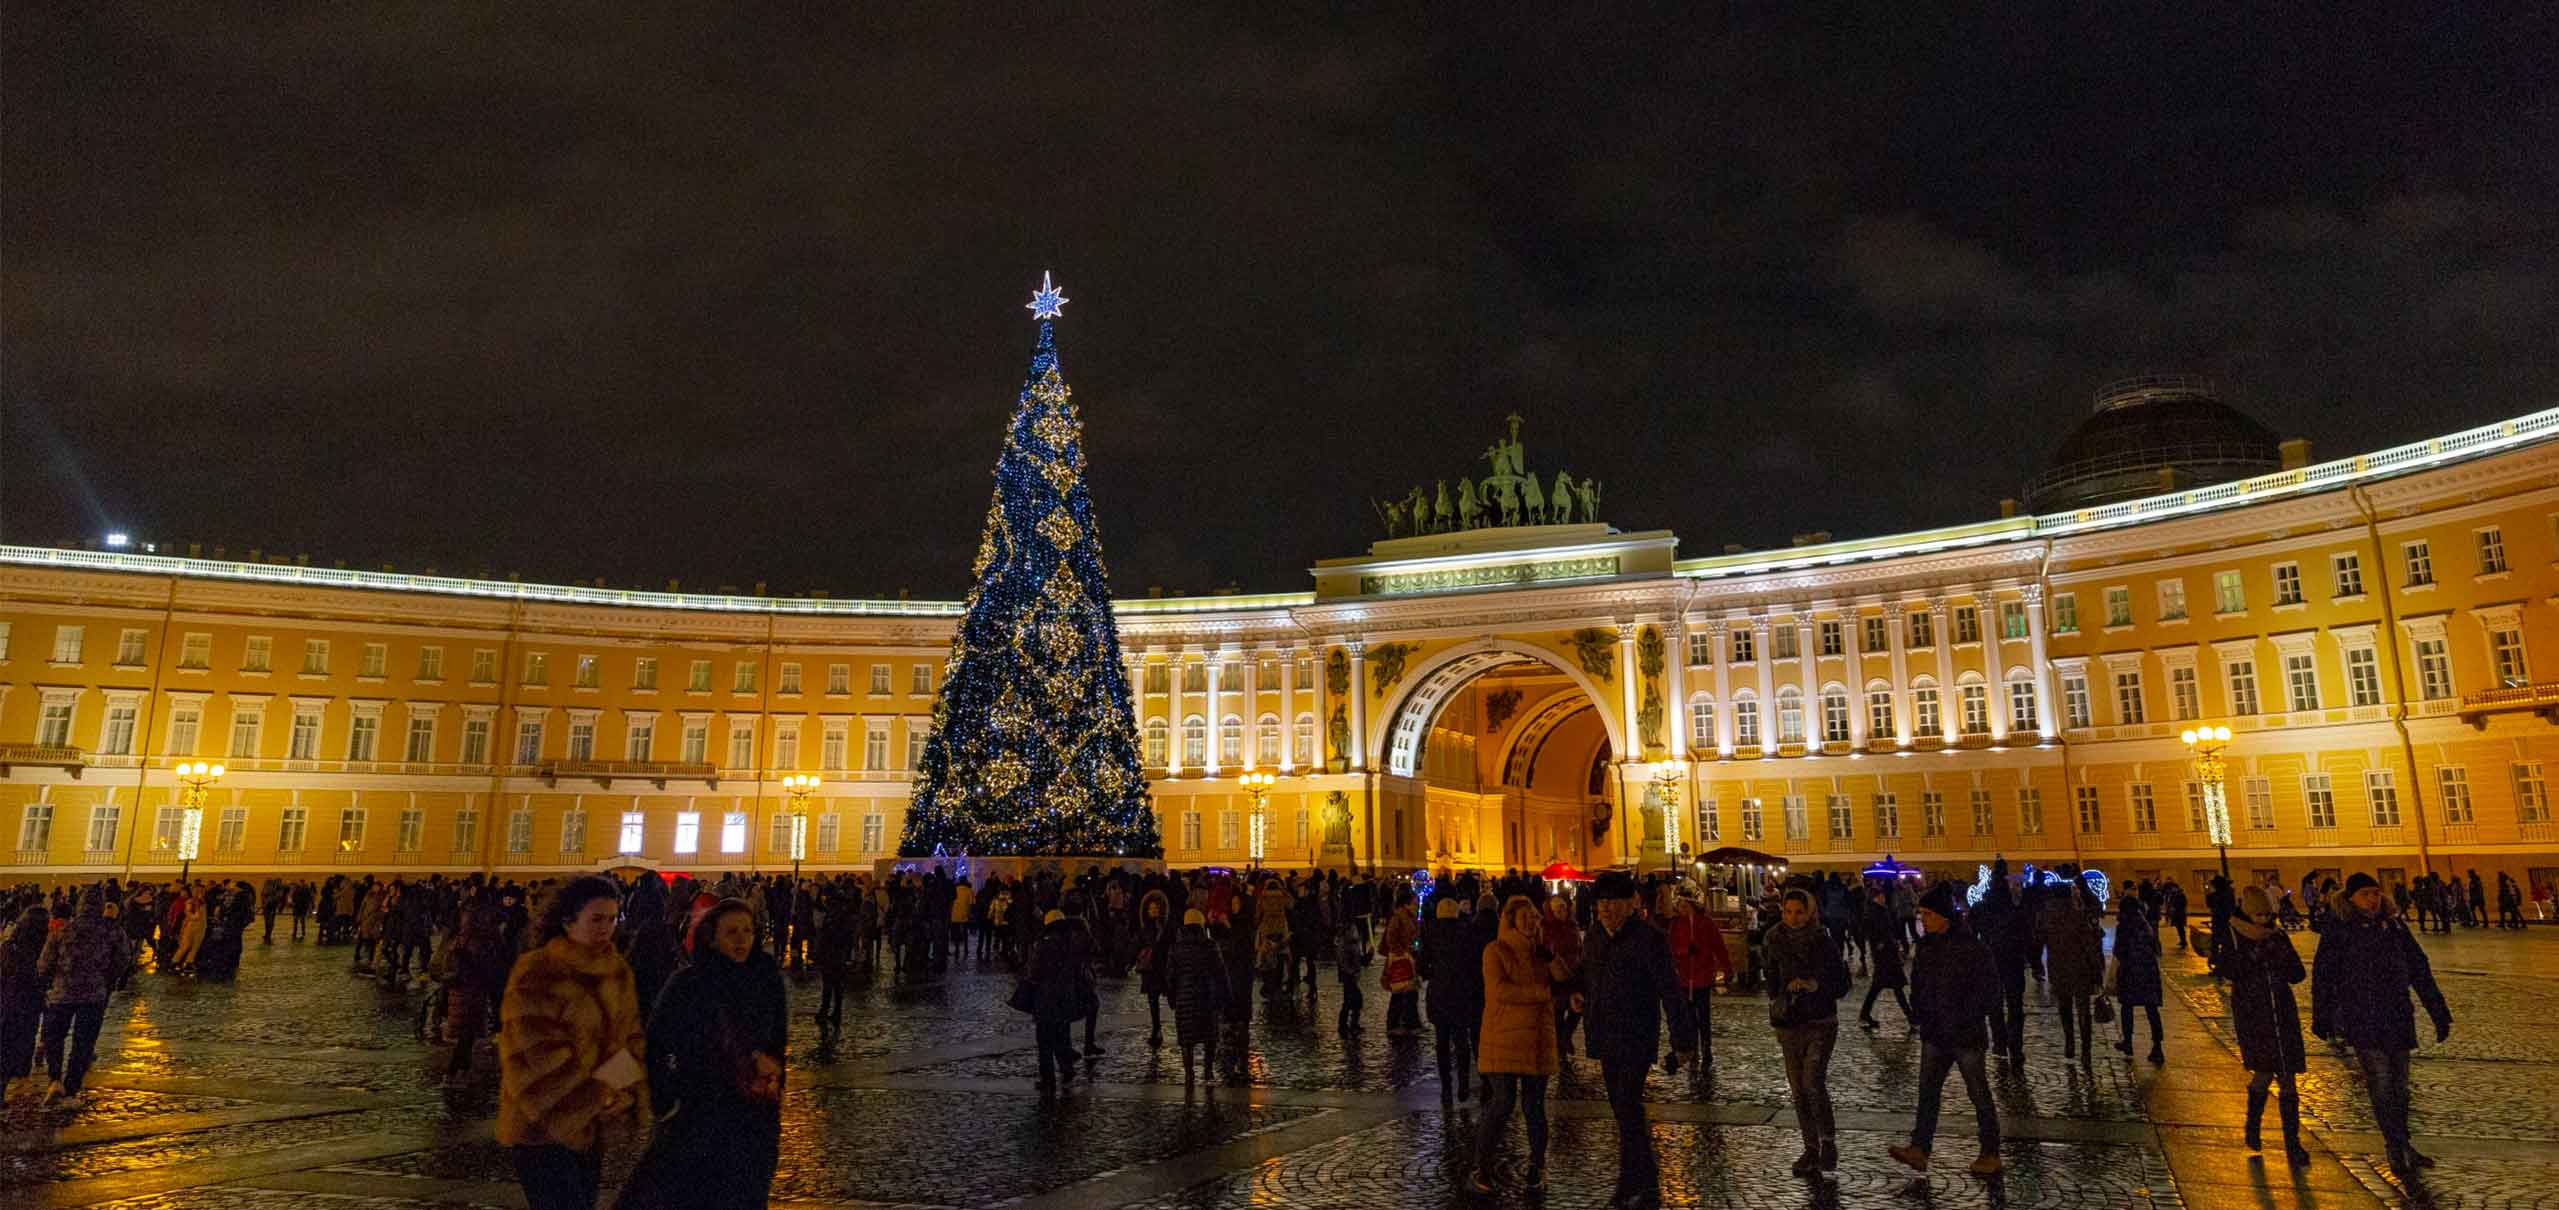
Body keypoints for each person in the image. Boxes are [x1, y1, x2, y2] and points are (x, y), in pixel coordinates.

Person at [615, 899, 786, 1210]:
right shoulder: (688, 982)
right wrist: (665, 1101)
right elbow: (655, 1042)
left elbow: (777, 1041)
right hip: (699, 1112)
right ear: (712, 936)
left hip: (753, 1116)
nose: (741, 939)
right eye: (731, 931)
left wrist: (771, 1070)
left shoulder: (767, 980)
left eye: (748, 931)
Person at [498, 876, 646, 1210]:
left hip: (590, 1130)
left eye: (612, 919)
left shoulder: (616, 971)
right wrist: (601, 1092)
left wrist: (623, 1091)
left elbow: (632, 1039)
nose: (606, 928)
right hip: (541, 1130)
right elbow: (537, 1056)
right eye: (596, 919)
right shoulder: (537, 972)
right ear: (567, 921)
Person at [2312, 872, 2452, 1176]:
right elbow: (2324, 975)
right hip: (2362, 1017)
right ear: (2351, 898)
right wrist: (2322, 1016)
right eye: (2365, 894)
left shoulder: (2394, 926)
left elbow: (2419, 967)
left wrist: (2438, 1011)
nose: (2373, 899)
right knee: (2382, 1084)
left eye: (2376, 893)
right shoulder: (2340, 929)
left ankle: (2404, 1144)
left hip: (2397, 1015)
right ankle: (2394, 1145)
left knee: (2401, 1087)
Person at [1572, 870, 1697, 1209]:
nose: (1606, 909)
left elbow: (1669, 992)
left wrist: (1682, 1041)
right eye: (1601, 903)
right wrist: (1578, 995)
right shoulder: (1595, 936)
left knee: (1627, 1107)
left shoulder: (1647, 939)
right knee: (1623, 1111)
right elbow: (1588, 975)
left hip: (1636, 1035)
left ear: (1630, 904)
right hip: (1603, 1034)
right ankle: (1641, 1179)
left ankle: (1633, 1184)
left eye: (1613, 902)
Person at [1890, 883, 2003, 1177]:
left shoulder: (1972, 947)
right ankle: (1919, 1148)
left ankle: (1990, 1152)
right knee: (1927, 1093)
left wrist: (1968, 1016)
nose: (1923, 919)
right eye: (1921, 913)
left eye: (1927, 914)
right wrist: (1920, 1012)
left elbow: (1990, 991)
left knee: (1979, 1094)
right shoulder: (1927, 946)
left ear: (1944, 916)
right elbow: (1919, 984)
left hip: (1966, 1035)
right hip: (1935, 1033)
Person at [1467, 896, 1561, 1195]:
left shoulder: (1541, 953)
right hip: (1503, 1039)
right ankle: (1480, 1166)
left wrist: (1552, 959)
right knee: (1502, 1103)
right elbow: (1498, 991)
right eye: (1525, 917)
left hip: (1536, 1039)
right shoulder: (1495, 951)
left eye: (1535, 917)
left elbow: (1564, 981)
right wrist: (1540, 993)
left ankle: (1537, 1166)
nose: (1532, 922)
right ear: (1510, 920)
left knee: (1535, 1108)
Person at [1763, 887, 1848, 1178]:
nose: (1793, 917)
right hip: (1789, 1023)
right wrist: (1781, 992)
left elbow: (1841, 984)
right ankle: (1810, 1148)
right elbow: (1771, 980)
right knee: (1798, 1090)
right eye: (1788, 911)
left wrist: (1815, 984)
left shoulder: (1823, 941)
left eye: (1799, 912)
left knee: (1812, 1081)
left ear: (1810, 911)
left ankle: (1828, 1142)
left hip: (1820, 1021)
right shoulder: (1773, 939)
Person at [2223, 886, 2311, 1168]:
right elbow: (2228, 970)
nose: (2264, 920)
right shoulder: (2235, 937)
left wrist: (2280, 956)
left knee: (2288, 1078)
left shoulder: (2278, 937)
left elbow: (2297, 974)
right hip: (2254, 1015)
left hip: (2282, 1013)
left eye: (2267, 914)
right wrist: (2252, 958)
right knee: (2262, 1074)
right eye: (2258, 914)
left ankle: (2293, 1144)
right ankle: (2253, 1127)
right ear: (2247, 913)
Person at [36, 887, 130, 1106]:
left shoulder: (64, 930)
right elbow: (123, 959)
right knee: (83, 1042)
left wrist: (49, 982)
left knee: (54, 1037)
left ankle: (54, 1078)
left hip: (62, 992)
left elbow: (45, 963)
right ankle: (71, 1088)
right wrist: (109, 979)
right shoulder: (112, 931)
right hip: (94, 994)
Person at [1025, 909, 1096, 1093]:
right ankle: (1067, 1068)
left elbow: (1034, 972)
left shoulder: (1044, 944)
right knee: (1063, 1035)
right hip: (1066, 996)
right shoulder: (1072, 943)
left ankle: (1048, 1079)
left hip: (1046, 998)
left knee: (1045, 1041)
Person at [2037, 868, 2103, 1064]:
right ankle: (2086, 1049)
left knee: (2064, 1009)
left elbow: (2037, 941)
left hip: (2058, 969)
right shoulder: (2078, 916)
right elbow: (2089, 946)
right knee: (2083, 1010)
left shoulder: (2047, 919)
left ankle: (2069, 1043)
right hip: (2080, 968)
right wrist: (2096, 970)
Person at [1423, 897, 1482, 1106]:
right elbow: (1474, 962)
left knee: (1441, 1042)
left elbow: (1422, 964)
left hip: (1439, 992)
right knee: (1461, 1040)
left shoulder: (1430, 932)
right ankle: (1464, 1083)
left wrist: (1433, 972)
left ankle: (1446, 1088)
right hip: (1461, 992)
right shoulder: (1466, 932)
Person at [1663, 892, 1731, 1071]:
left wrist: (1726, 968)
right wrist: (1684, 951)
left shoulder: (1706, 923)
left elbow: (1718, 946)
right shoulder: (1676, 924)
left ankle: (1706, 1048)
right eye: (1680, 905)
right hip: (1684, 978)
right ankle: (1693, 1049)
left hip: (1702, 977)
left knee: (1704, 1016)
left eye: (1685, 905)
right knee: (1689, 1017)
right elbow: (1670, 948)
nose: (1682, 909)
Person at [0, 905, 49, 1104]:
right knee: (26, 1037)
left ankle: (4, 1085)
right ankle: (20, 1073)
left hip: (8, 1001)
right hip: (30, 1002)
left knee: (5, 1042)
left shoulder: (10, 946)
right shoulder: (43, 947)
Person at [2112, 894, 2165, 1062]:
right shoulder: (2145, 925)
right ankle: (2157, 1046)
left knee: (2127, 1007)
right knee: (2152, 1010)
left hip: (2130, 970)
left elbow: (2119, 950)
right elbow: (2155, 947)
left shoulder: (2124, 926)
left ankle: (2128, 1042)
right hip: (2148, 971)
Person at [1540, 895, 1583, 1057]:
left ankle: (1565, 1036)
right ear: (1550, 910)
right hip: (1555, 975)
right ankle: (1561, 1044)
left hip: (1574, 972)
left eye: (1563, 907)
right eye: (1557, 908)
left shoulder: (1573, 924)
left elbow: (1579, 946)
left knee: (1577, 1008)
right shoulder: (1545, 928)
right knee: (1558, 1010)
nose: (1561, 911)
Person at [1333, 918, 1366, 1035]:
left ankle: (1351, 1024)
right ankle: (1344, 1025)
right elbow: (1343, 962)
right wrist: (1350, 972)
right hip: (1348, 977)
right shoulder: (1344, 945)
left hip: (1353, 975)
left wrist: (1368, 956)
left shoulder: (1354, 944)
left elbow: (1360, 960)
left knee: (1354, 1000)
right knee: (1351, 1000)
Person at [2163, 879, 2190, 951]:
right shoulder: (2174, 895)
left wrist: (2175, 906)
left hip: (2180, 914)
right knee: (2178, 928)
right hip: (2176, 914)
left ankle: (2184, 941)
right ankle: (2182, 940)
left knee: (2181, 928)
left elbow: (2183, 903)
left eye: (2173, 888)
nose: (2172, 889)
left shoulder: (2180, 895)